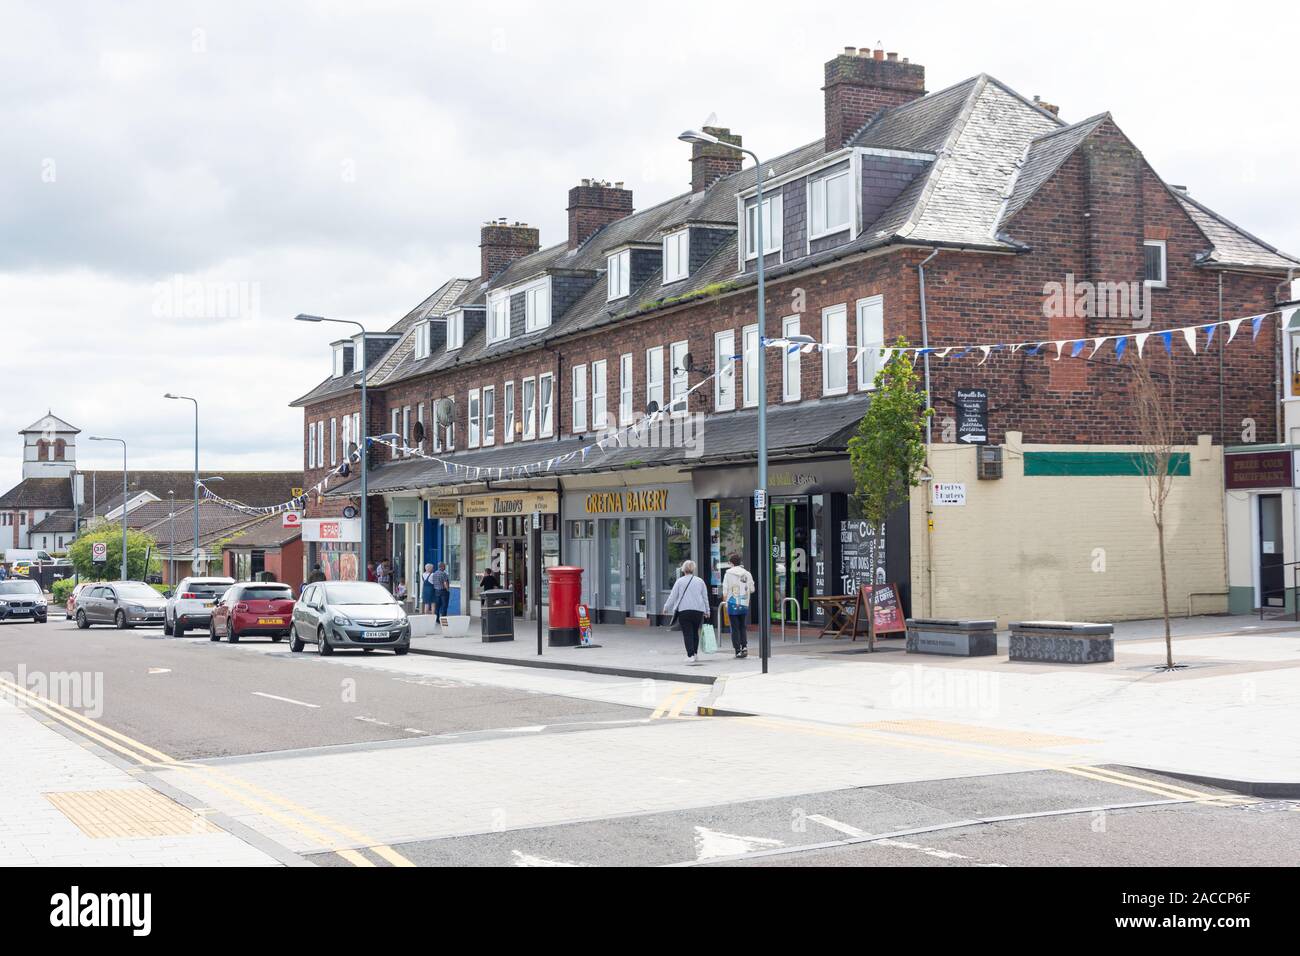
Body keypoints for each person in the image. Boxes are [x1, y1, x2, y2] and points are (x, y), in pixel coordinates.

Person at [662, 559, 710, 664]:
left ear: (683, 570)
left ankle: (690, 655)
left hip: (684, 610)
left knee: (687, 633)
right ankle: (695, 654)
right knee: (695, 632)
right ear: (693, 569)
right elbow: (705, 597)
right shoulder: (700, 581)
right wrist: (707, 610)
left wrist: (666, 607)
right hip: (698, 611)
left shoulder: (680, 581)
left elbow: (673, 596)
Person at [721, 553, 756, 659]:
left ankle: (737, 650)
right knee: (742, 626)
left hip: (732, 603)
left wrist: (725, 602)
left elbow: (725, 590)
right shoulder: (747, 574)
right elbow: (752, 589)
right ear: (740, 562)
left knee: (734, 627)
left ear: (731, 563)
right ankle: (744, 646)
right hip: (744, 603)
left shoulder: (728, 574)